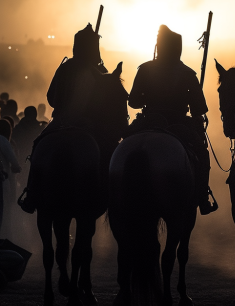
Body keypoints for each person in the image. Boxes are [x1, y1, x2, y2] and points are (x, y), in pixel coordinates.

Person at [18, 24, 111, 214]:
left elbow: (51, 97)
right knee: (108, 150)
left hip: (61, 121)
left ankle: (32, 193)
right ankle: (108, 194)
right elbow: (107, 102)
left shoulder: (65, 67)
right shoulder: (101, 72)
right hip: (90, 125)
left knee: (38, 146)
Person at [128, 24, 217, 215]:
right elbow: (199, 109)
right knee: (201, 154)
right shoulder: (188, 73)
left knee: (124, 144)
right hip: (179, 123)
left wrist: (148, 97)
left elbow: (134, 101)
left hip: (149, 120)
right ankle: (202, 197)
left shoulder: (144, 69)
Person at [0, 119, 22, 233]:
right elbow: (14, 161)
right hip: (3, 182)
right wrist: (18, 167)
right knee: (5, 214)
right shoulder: (3, 141)